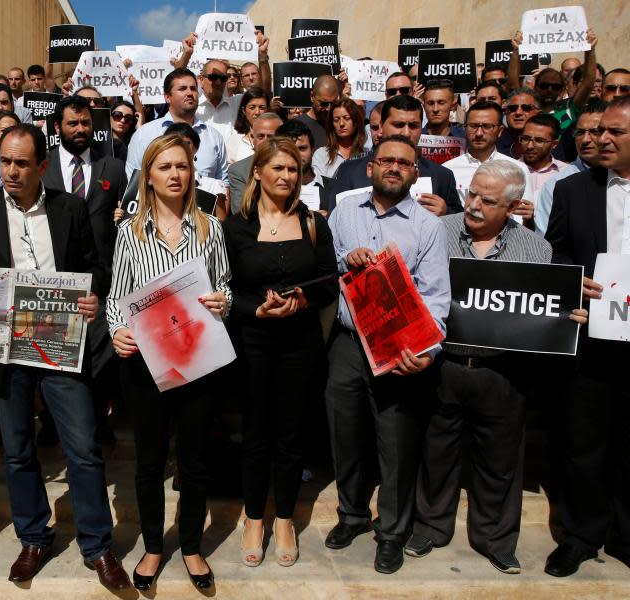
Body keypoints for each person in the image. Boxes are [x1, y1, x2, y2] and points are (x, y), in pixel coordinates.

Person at [0, 124, 130, 590]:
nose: (11, 171)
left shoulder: (71, 209)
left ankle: (98, 546)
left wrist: (93, 295)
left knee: (82, 450)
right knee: (18, 452)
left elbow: (97, 266)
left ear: (42, 166)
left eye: (21, 163)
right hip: (4, 352)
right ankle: (34, 538)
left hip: (62, 346)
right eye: (4, 161)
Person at [409, 160, 586, 575]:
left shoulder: (536, 249)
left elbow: (544, 312)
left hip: (503, 374)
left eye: (487, 200)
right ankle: (430, 528)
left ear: (512, 207)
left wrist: (567, 315)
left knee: (500, 461)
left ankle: (496, 540)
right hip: (443, 364)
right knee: (436, 454)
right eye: (472, 193)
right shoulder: (437, 231)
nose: (473, 205)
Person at [107, 134, 231, 591]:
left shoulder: (210, 229)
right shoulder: (130, 231)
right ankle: (155, 545)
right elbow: (117, 297)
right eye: (165, 167)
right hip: (145, 364)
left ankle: (193, 546)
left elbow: (227, 287)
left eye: (182, 166)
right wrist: (116, 329)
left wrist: (222, 303)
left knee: (195, 461)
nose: (175, 175)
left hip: (198, 360)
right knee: (149, 461)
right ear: (149, 176)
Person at [324, 135, 449, 574]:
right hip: (347, 344)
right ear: (371, 166)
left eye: (404, 163)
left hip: (399, 348)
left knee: (395, 444)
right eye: (387, 161)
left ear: (415, 173)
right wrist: (346, 259)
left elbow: (436, 297)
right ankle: (352, 516)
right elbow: (328, 266)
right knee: (345, 434)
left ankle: (392, 533)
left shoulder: (429, 227)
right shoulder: (343, 213)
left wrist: (427, 350)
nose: (395, 168)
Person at [224, 137, 338, 569]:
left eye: (293, 170)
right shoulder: (234, 227)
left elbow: (330, 280)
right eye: (278, 169)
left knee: (291, 436)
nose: (287, 177)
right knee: (255, 434)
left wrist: (301, 303)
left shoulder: (313, 223)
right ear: (258, 172)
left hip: (299, 343)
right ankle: (255, 518)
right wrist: (257, 307)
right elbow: (227, 286)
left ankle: (285, 518)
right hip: (252, 341)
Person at [544, 96, 630, 578]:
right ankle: (580, 536)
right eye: (598, 132)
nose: (600, 139)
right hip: (592, 338)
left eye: (615, 132)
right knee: (585, 442)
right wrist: (572, 280)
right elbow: (554, 251)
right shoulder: (573, 190)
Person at [42, 95, 129, 442]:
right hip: (55, 273)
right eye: (72, 123)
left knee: (100, 355)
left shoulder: (112, 168)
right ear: (57, 128)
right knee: (52, 349)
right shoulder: (42, 166)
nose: (80, 130)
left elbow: (128, 211)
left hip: (102, 277)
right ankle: (52, 422)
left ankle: (98, 420)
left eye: (86, 123)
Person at [322, 94, 461, 216]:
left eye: (413, 126)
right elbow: (333, 223)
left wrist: (446, 213)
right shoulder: (349, 171)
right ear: (381, 126)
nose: (406, 133)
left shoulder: (442, 176)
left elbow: (460, 225)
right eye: (399, 125)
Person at [126, 68, 228, 184]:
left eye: (193, 88)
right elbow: (133, 184)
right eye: (182, 89)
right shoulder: (144, 135)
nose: (190, 93)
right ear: (167, 97)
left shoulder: (214, 137)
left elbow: (223, 185)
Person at [443, 101, 533, 218]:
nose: (479, 133)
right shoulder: (447, 170)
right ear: (465, 128)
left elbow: (522, 218)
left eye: (487, 126)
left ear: (500, 131)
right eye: (473, 126)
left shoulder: (518, 170)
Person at [537, 100, 609, 234]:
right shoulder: (557, 184)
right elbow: (546, 240)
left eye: (595, 131)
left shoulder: (623, 176)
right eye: (580, 132)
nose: (586, 140)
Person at [519, 113, 568, 232]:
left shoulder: (567, 174)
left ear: (554, 144)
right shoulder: (507, 170)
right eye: (526, 139)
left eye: (539, 140)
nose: (530, 146)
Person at [228, 112, 283, 213]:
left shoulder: (292, 167)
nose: (265, 142)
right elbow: (241, 211)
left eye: (271, 137)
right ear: (253, 139)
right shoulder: (239, 171)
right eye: (261, 136)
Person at [312, 97, 367, 178]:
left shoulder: (367, 154)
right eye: (336, 119)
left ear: (356, 121)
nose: (341, 123)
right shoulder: (321, 155)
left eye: (347, 118)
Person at [194, 59, 244, 140]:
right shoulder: (193, 109)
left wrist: (262, 58)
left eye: (223, 78)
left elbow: (261, 92)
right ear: (201, 79)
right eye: (213, 77)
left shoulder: (236, 104)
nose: (218, 82)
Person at [225, 87, 269, 164]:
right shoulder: (234, 141)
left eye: (262, 107)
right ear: (243, 110)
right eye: (252, 107)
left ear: (268, 110)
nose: (257, 112)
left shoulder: (277, 138)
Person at [298, 75, 341, 150]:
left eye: (333, 103)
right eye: (324, 103)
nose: (329, 108)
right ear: (312, 96)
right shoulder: (297, 126)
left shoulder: (340, 125)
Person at [498, 88, 540, 159]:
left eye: (526, 108)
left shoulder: (548, 142)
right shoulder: (494, 142)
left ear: (538, 113)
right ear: (505, 112)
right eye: (512, 108)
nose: (518, 113)